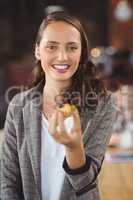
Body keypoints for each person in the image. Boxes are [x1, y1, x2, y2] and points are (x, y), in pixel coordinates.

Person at [0, 11, 117, 200]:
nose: (62, 57)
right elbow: (7, 182)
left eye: (72, 48)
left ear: (82, 53)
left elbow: (85, 183)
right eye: (52, 47)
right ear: (37, 50)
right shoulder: (18, 106)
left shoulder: (104, 105)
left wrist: (73, 148)